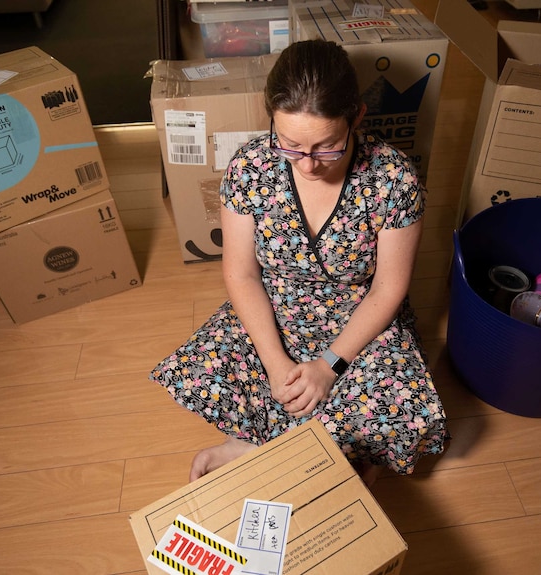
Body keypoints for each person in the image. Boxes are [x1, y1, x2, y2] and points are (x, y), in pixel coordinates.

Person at [150, 39, 449, 486]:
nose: (308, 165)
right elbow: (241, 272)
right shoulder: (251, 167)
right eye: (290, 145)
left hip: (359, 314)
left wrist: (330, 366)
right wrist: (274, 362)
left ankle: (271, 441)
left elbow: (388, 288)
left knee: (399, 406)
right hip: (276, 302)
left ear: (357, 118)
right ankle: (288, 443)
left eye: (327, 147)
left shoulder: (393, 179)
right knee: (218, 365)